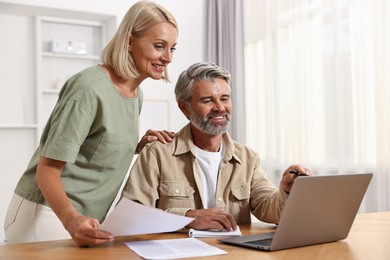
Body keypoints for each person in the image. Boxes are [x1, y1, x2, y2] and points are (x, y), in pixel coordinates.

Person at [4, 0, 178, 246]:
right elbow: (47, 171)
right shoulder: (88, 88)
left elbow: (95, 148)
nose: (168, 57)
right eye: (159, 46)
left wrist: (137, 146)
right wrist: (72, 219)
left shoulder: (135, 95)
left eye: (173, 48)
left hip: (85, 218)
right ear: (130, 41)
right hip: (47, 213)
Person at [121, 62, 312, 231]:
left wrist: (286, 191)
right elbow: (131, 217)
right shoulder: (156, 153)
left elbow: (269, 208)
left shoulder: (248, 158)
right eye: (208, 100)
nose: (220, 108)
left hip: (234, 254)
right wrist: (188, 217)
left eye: (225, 98)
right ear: (184, 108)